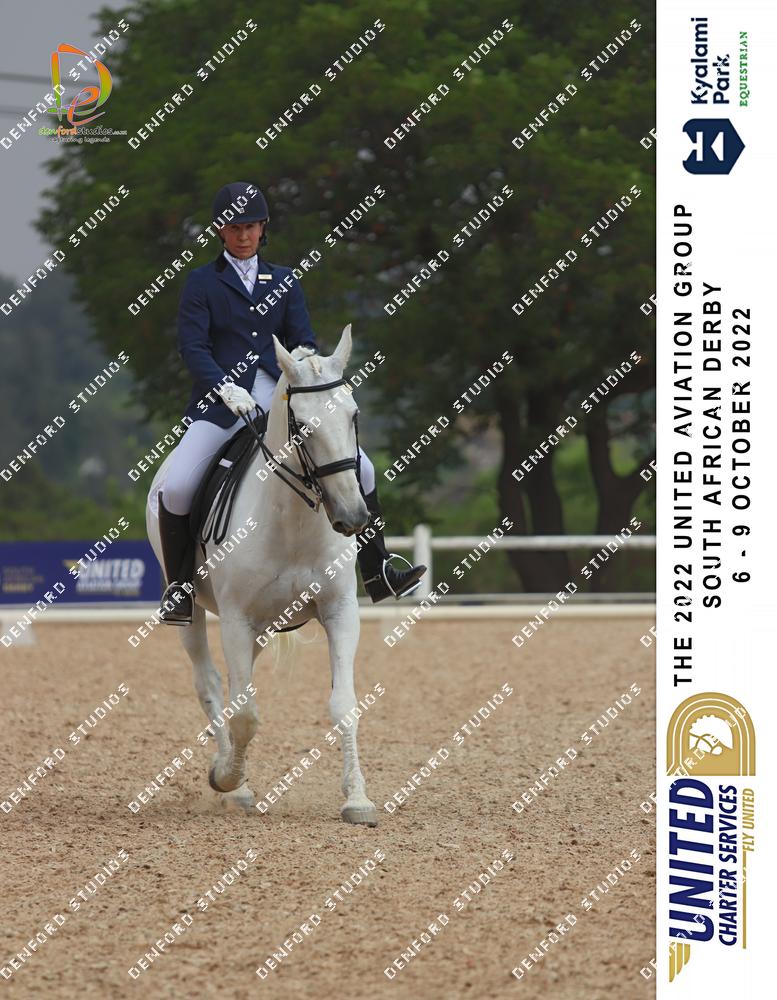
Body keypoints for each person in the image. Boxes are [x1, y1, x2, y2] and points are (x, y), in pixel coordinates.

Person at [155, 181, 427, 625]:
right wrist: (224, 387)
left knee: (364, 468)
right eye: (235, 227)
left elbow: (303, 340)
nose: (244, 235)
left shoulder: (284, 280)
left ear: (263, 228)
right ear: (221, 231)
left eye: (251, 227)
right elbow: (193, 347)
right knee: (178, 486)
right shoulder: (201, 282)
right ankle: (180, 588)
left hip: (284, 395)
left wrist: (306, 367)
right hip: (224, 402)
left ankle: (378, 570)